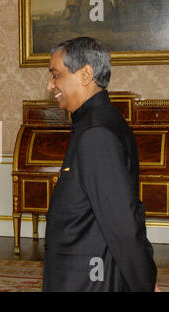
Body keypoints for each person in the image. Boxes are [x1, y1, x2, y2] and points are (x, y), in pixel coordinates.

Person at [42, 37, 157, 291]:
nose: (50, 85)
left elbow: (122, 223)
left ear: (86, 75)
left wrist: (144, 284)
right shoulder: (99, 119)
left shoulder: (96, 132)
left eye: (56, 75)